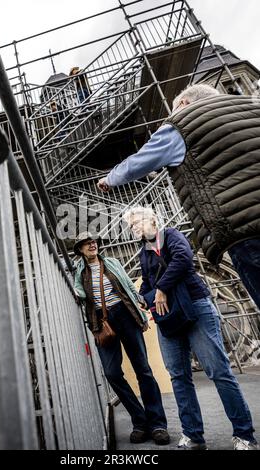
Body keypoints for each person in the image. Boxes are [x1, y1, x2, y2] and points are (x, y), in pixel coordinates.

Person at [97, 84, 260, 310]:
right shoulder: (251, 107)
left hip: (245, 227)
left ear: (183, 104)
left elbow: (141, 161)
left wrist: (110, 178)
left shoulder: (182, 124)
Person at [123, 206, 258, 450]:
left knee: (219, 371)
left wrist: (161, 289)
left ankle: (244, 435)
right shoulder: (144, 252)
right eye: (131, 226)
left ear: (152, 219)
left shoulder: (171, 235)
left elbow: (183, 259)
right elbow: (146, 283)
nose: (134, 227)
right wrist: (144, 297)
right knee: (178, 376)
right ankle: (193, 436)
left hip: (195, 307)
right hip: (167, 316)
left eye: (137, 221)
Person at [73, 231, 170, 445]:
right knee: (112, 372)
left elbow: (126, 284)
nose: (92, 245)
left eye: (93, 242)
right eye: (86, 244)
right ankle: (139, 420)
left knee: (143, 369)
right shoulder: (78, 271)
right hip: (102, 323)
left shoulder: (112, 263)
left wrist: (140, 303)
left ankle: (157, 424)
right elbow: (78, 293)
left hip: (125, 314)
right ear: (80, 249)